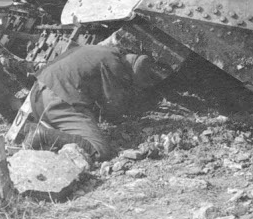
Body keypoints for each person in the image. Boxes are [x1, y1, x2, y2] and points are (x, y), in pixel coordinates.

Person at [22, 45, 156, 161]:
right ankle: (42, 134)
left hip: (38, 95)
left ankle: (36, 130)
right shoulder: (113, 64)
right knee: (99, 149)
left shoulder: (106, 51)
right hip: (57, 99)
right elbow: (113, 106)